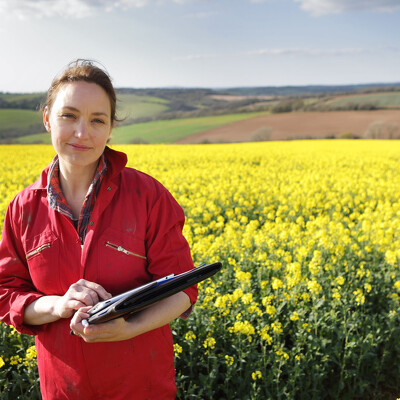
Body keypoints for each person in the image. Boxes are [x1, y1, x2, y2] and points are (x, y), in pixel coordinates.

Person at [0, 59, 198, 400]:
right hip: (64, 390)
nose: (82, 132)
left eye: (97, 120)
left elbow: (182, 289)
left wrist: (128, 328)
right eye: (69, 116)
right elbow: (7, 294)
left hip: (141, 387)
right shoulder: (23, 209)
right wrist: (59, 306)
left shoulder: (148, 196)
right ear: (48, 118)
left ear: (110, 129)